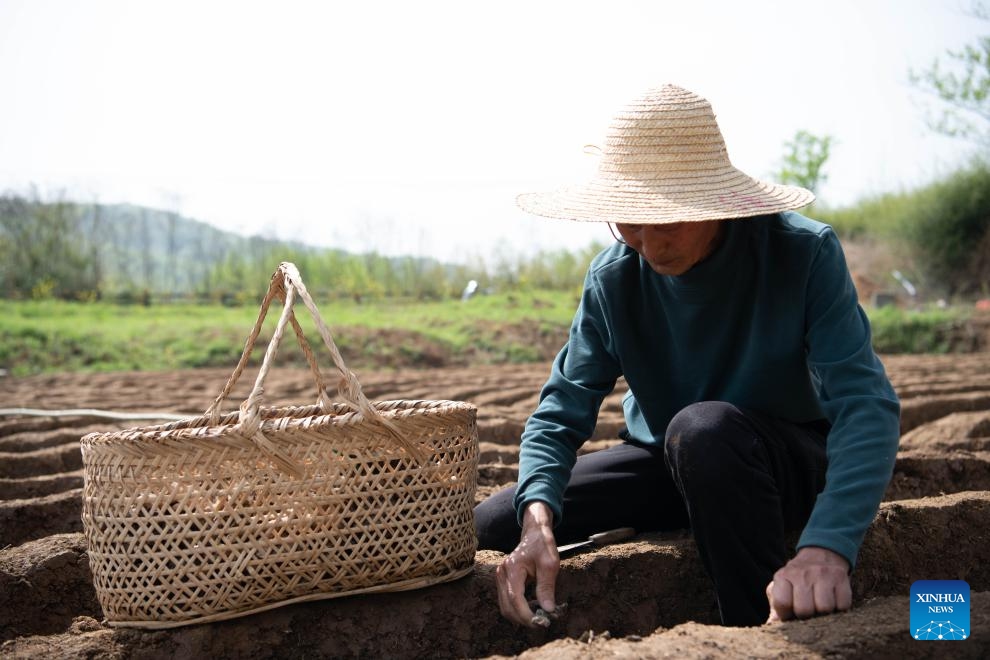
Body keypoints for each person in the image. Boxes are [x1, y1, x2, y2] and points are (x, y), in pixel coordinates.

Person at [474, 84, 901, 628]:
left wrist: (828, 547)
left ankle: (753, 629)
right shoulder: (614, 279)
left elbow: (866, 404)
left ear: (715, 206)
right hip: (675, 462)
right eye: (629, 223)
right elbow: (560, 410)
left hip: (779, 463)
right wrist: (537, 522)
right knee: (494, 521)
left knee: (704, 429)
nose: (649, 248)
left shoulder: (801, 253)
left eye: (667, 222)